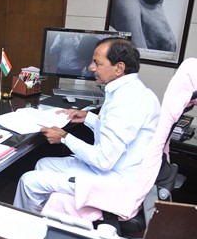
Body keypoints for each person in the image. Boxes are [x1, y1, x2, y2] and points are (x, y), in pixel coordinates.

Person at [13, 38, 160, 217]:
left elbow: (103, 160)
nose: (91, 68)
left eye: (97, 63)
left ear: (119, 68)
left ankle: (26, 225)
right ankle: (46, 219)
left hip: (114, 182)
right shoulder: (133, 91)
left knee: (28, 181)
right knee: (43, 164)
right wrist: (88, 117)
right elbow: (115, 128)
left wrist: (64, 138)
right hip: (115, 168)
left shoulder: (126, 101)